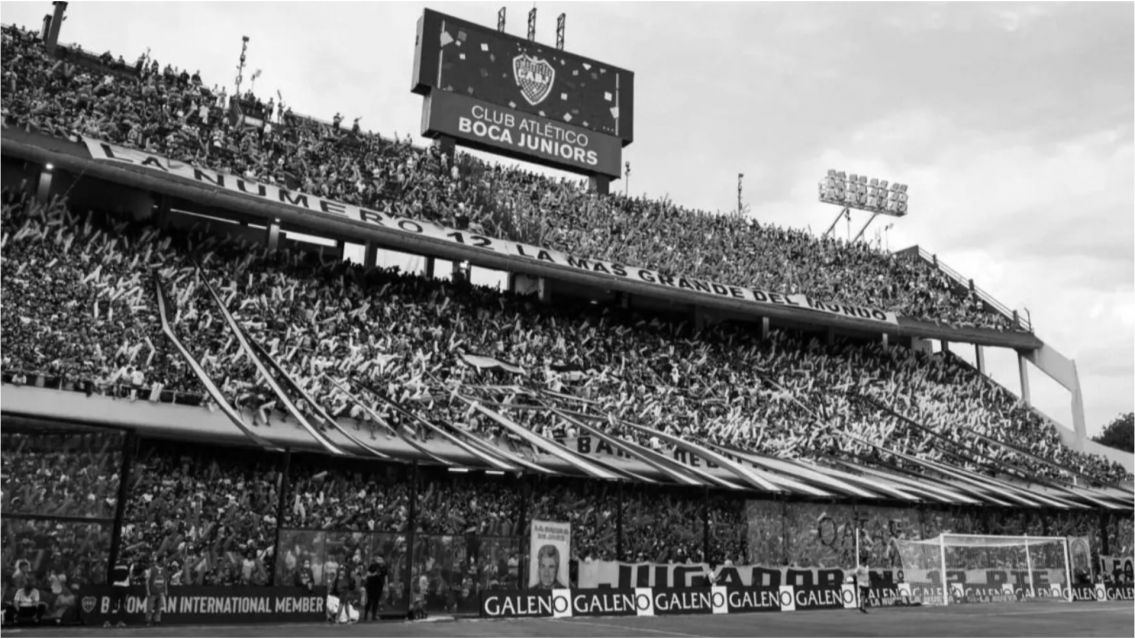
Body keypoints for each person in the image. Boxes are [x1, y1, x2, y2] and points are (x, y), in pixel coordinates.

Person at [106, 556, 133, 627]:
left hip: (115, 586)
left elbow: (111, 575)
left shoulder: (115, 565)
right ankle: (120, 622)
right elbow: (130, 576)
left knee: (112, 605)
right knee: (123, 605)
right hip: (124, 587)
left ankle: (107, 622)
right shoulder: (128, 565)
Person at [145, 554, 169, 626]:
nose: (165, 561)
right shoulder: (152, 569)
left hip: (160, 592)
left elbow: (165, 581)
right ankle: (148, 621)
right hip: (152, 592)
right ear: (160, 560)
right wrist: (148, 591)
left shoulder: (164, 570)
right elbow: (147, 581)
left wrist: (166, 590)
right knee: (150, 608)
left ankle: (157, 621)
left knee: (158, 609)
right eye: (164, 559)